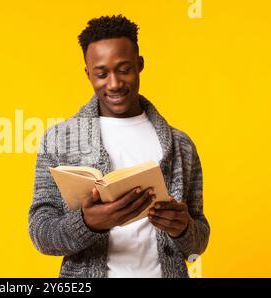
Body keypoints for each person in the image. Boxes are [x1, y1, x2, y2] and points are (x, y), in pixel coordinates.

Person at [28, 14, 209, 278]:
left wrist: (183, 229)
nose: (114, 84)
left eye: (124, 69)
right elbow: (41, 233)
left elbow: (198, 242)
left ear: (140, 64)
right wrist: (87, 223)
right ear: (88, 74)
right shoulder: (59, 140)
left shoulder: (181, 145)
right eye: (101, 74)